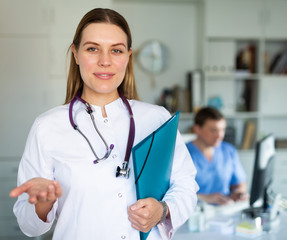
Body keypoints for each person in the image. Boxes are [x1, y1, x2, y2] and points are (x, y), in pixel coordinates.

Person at [9, 8, 198, 240]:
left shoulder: (157, 119)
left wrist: (163, 211)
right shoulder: (47, 127)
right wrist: (43, 204)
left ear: (128, 56)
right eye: (92, 49)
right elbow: (29, 226)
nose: (105, 61)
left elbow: (187, 186)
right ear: (76, 54)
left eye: (116, 50)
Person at [186, 106, 247, 205]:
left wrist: (238, 193)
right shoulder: (184, 154)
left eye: (222, 129)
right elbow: (177, 193)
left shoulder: (229, 151)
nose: (220, 135)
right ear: (197, 129)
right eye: (214, 130)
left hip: (225, 210)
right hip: (196, 212)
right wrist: (204, 198)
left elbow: (240, 183)